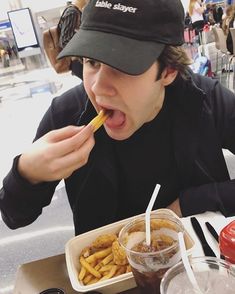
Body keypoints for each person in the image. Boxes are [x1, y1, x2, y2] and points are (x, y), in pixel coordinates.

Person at [1, 0, 235, 236]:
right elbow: (13, 215)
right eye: (91, 62)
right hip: (107, 269)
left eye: (122, 65)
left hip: (203, 262)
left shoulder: (205, 100)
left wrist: (190, 203)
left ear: (168, 70)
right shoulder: (66, 114)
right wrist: (27, 173)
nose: (97, 87)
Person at [58, 0, 88, 78]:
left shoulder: (77, 12)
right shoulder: (72, 12)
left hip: (78, 61)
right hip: (77, 62)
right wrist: (83, 54)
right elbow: (65, 40)